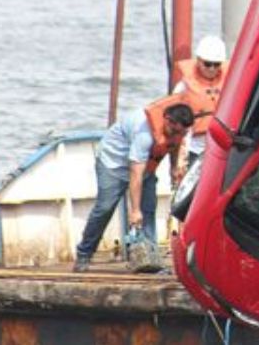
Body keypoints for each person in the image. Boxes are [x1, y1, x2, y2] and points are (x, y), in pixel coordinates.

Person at [73, 97, 194, 272]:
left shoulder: (178, 132)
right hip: (113, 163)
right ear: (167, 120)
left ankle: (151, 260)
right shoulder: (143, 133)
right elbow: (135, 174)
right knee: (105, 208)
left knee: (149, 209)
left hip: (144, 166)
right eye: (174, 131)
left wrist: (174, 167)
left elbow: (173, 145)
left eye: (181, 133)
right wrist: (135, 210)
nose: (177, 135)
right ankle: (84, 254)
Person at [172, 35, 229, 165]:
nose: (212, 69)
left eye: (216, 65)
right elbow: (174, 120)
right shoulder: (183, 87)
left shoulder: (230, 82)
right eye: (208, 64)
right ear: (198, 60)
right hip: (195, 148)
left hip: (222, 147)